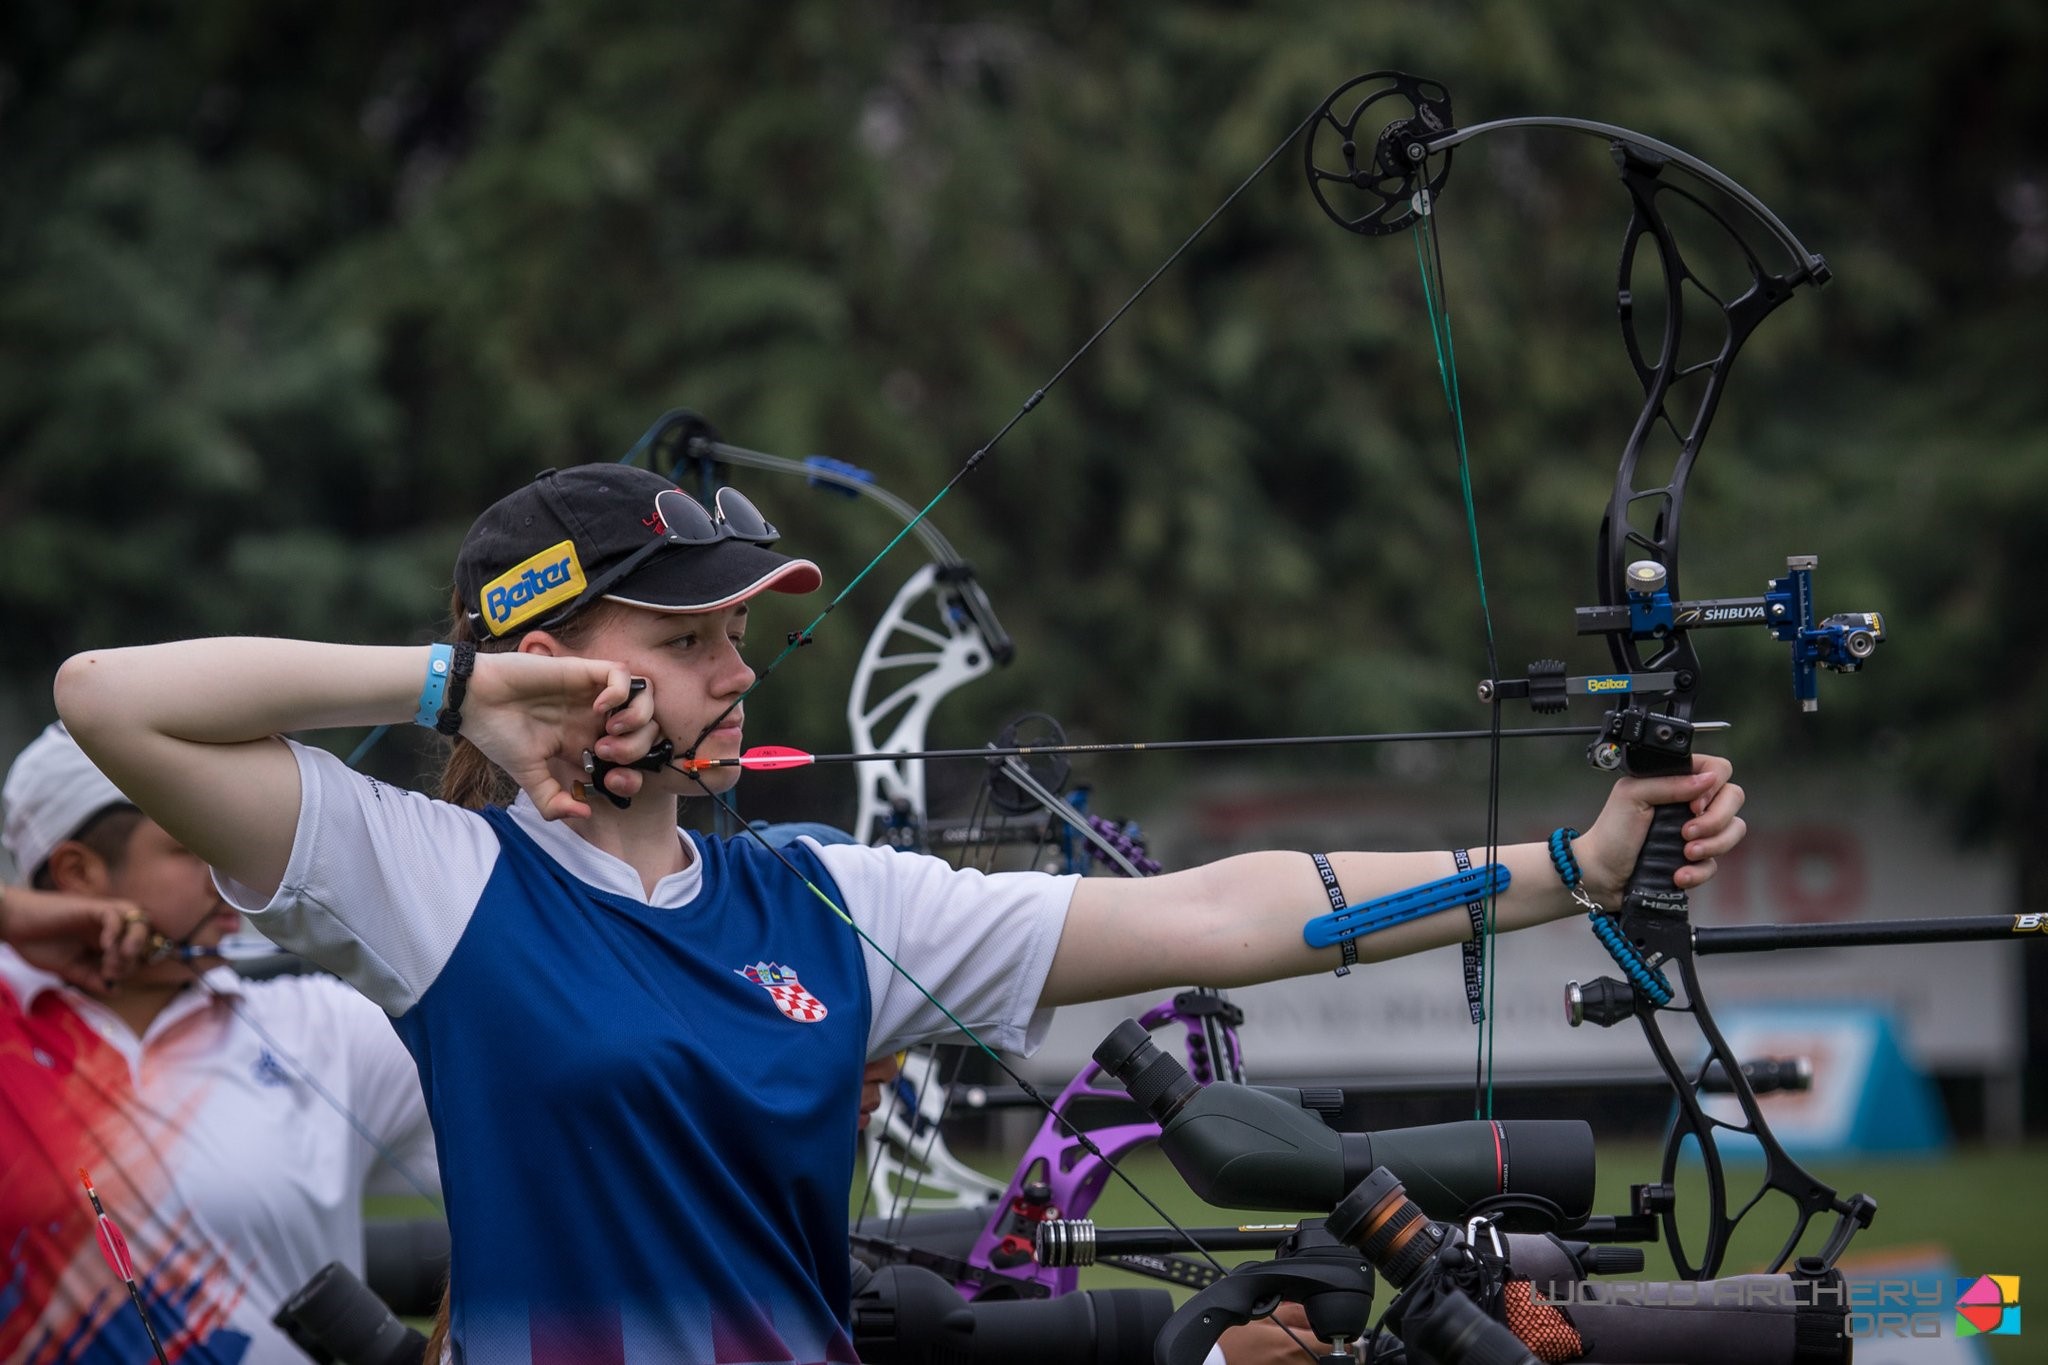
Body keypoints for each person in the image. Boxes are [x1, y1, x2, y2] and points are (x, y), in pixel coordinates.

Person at [53, 462, 1747, 1363]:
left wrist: (1568, 871)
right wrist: (458, 685)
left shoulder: (824, 902)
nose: (731, 674)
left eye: (738, 644)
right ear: (557, 652)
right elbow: (110, 697)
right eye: (684, 640)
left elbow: (1221, 915)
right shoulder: (438, 883)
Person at [0, 723, 439, 1363]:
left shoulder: (325, 1028)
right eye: (193, 845)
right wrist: (14, 918)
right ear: (77, 871)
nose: (230, 871)